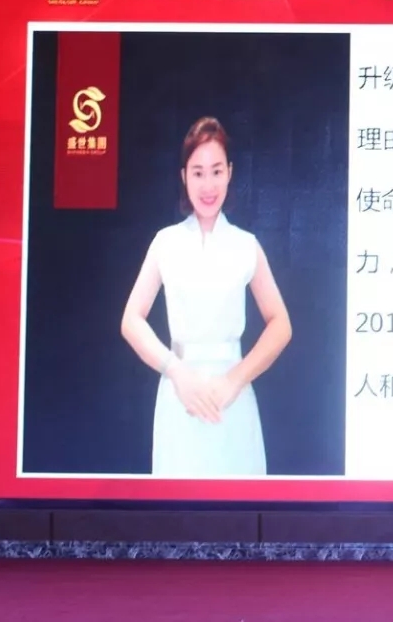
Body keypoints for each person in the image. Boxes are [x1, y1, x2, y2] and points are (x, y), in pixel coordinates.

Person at [120, 117, 292, 478]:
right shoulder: (166, 242)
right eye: (198, 173)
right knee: (177, 505)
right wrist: (175, 371)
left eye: (216, 171)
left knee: (239, 505)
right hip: (179, 396)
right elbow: (131, 320)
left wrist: (235, 379)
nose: (208, 184)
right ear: (184, 176)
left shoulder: (246, 245)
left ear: (230, 172)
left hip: (233, 399)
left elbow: (281, 325)